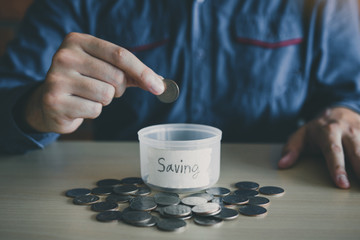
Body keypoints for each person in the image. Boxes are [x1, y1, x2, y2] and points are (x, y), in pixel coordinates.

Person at [0, 0, 359, 189]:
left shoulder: (324, 3)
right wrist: (34, 108)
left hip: (277, 191)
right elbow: (7, 93)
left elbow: (349, 91)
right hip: (133, 198)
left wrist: (342, 114)